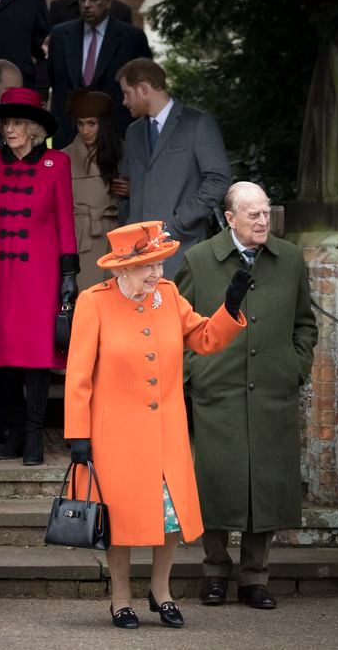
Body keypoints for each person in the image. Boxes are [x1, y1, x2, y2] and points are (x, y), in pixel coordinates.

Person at [64, 221, 251, 629]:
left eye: (160, 265)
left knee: (168, 518)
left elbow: (204, 338)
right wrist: (78, 433)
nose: (157, 274)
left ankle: (161, 591)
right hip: (114, 435)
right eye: (148, 266)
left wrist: (230, 308)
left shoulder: (167, 296)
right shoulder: (93, 302)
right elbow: (78, 374)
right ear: (121, 269)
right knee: (120, 521)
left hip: (165, 432)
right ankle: (120, 598)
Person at [174, 181, 318, 610]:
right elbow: (178, 329)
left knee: (266, 484)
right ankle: (215, 572)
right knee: (217, 481)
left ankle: (255, 577)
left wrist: (296, 366)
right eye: (253, 214)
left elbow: (304, 323)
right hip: (218, 390)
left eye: (266, 213)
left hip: (273, 389)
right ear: (229, 218)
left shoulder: (290, 259)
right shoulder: (199, 260)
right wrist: (195, 371)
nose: (262, 221)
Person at [0, 87, 78, 465]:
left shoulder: (57, 164)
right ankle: (15, 429)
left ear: (34, 128)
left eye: (17, 122)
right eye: (5, 122)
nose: (10, 129)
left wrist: (69, 273)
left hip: (40, 272)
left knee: (35, 354)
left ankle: (34, 434)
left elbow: (66, 219)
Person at [117, 58, 232, 279]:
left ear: (143, 89)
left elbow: (219, 180)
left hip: (183, 248)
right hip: (137, 254)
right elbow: (126, 186)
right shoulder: (133, 132)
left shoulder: (197, 123)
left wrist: (180, 221)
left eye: (126, 93)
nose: (124, 101)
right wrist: (127, 220)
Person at [48, 0, 151, 147]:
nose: (87, 5)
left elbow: (143, 87)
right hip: (70, 135)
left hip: (116, 134)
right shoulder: (60, 35)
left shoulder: (132, 38)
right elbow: (55, 79)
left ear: (108, 1)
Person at [61, 88, 124, 290]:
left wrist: (130, 190)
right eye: (80, 123)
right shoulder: (64, 157)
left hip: (116, 235)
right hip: (82, 236)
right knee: (87, 297)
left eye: (91, 123)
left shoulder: (122, 152)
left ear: (103, 124)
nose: (85, 130)